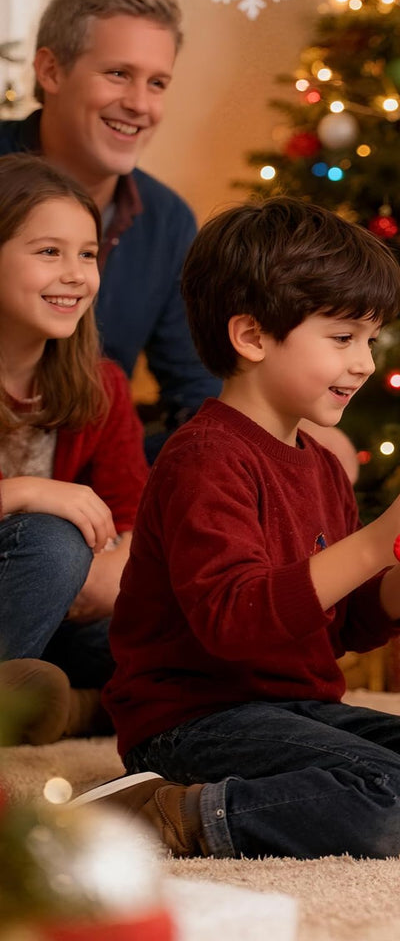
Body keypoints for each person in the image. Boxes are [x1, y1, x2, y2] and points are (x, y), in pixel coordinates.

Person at [73, 197, 400, 861]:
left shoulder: (320, 466)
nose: (364, 362)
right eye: (342, 339)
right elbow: (234, 622)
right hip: (191, 722)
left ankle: (270, 794)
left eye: (369, 339)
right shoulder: (203, 459)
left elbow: (350, 626)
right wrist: (371, 542)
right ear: (251, 338)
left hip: (293, 711)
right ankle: (164, 812)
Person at [0, 0, 220, 460]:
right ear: (51, 70)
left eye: (157, 83)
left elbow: (196, 390)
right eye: (118, 74)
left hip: (93, 473)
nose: (140, 105)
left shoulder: (168, 221)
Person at [0, 154, 148, 744]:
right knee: (53, 542)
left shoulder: (101, 384)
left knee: (184, 647)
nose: (76, 274)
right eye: (48, 252)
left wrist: (103, 574)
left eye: (87, 254)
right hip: (30, 576)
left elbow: (135, 518)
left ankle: (64, 710)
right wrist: (28, 492)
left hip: (57, 613)